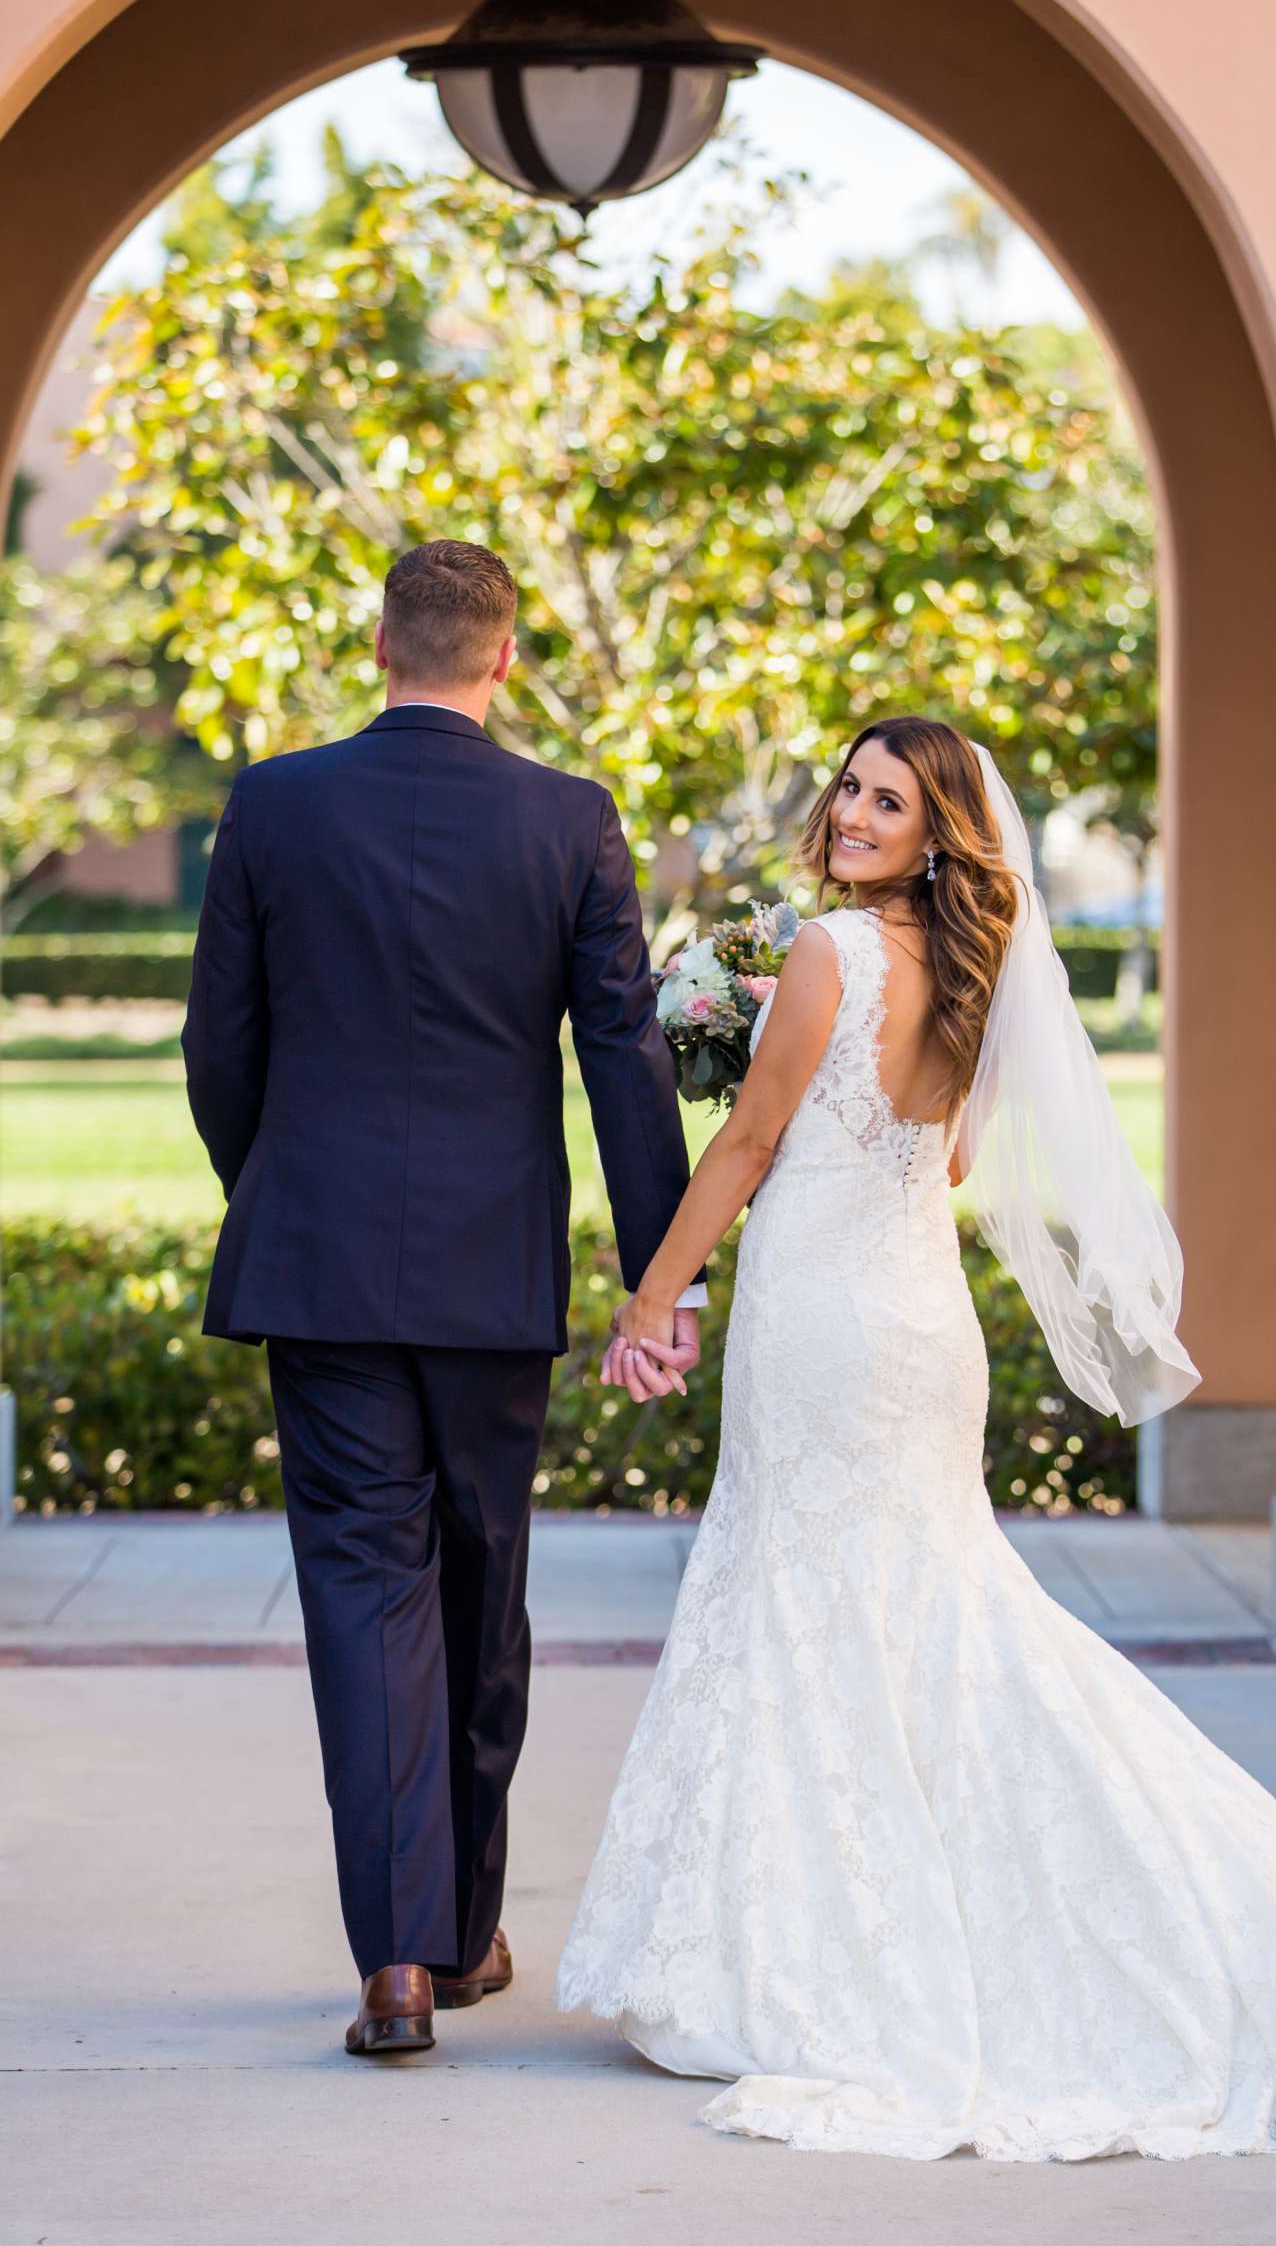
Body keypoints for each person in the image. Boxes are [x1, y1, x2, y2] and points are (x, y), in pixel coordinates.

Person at [555, 714, 1276, 2161]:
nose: (858, 813)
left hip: (825, 1331)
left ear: (940, 833)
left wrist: (649, 1300)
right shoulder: (981, 976)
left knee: (817, 1610)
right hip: (925, 1328)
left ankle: (802, 1953)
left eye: (892, 801)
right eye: (853, 788)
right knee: (931, 1612)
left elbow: (747, 1143)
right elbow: (955, 1156)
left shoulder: (828, 953)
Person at [181, 539, 702, 2057]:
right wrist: (653, 1276)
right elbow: (625, 1055)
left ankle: (402, 1960)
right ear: (507, 652)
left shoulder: (275, 804)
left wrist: (275, 1191)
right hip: (493, 1277)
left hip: (320, 1270)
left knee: (363, 1593)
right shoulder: (569, 819)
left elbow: (222, 1048)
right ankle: (460, 1935)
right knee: (481, 1592)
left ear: (381, 640)